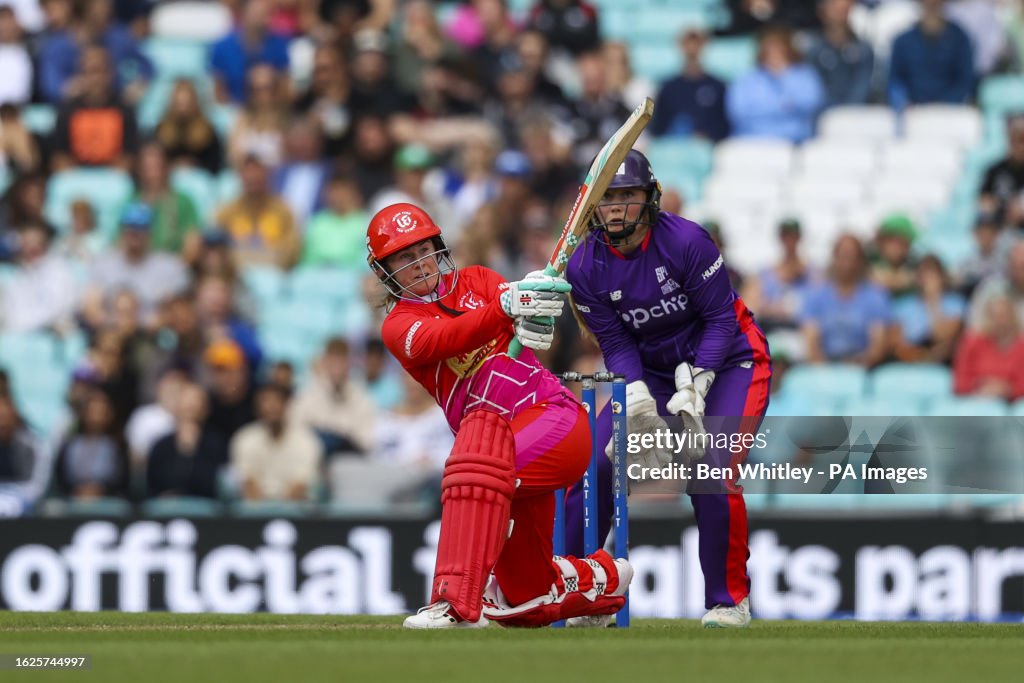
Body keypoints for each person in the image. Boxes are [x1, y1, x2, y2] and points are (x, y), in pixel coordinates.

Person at [367, 202, 633, 629]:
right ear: (386, 273)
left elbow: (530, 327)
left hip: (553, 419)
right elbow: (448, 337)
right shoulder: (399, 326)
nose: (417, 264)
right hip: (505, 455)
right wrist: (506, 307)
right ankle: (601, 577)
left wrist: (537, 314)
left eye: (422, 251)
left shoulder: (480, 280)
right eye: (402, 258)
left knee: (471, 469)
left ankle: (454, 605)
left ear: (438, 248)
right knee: (525, 600)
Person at [565, 150, 771, 628]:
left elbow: (721, 319)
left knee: (711, 471)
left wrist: (699, 379)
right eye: (608, 197)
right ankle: (581, 591)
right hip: (653, 373)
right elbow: (615, 339)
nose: (616, 208)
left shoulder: (687, 241)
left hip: (732, 362)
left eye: (628, 196)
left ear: (650, 197)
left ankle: (728, 600)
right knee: (594, 464)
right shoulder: (584, 267)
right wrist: (635, 390)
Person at [801, 234, 892, 367]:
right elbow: (811, 342)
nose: (847, 263)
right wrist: (825, 370)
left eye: (853, 257)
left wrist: (856, 367)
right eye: (843, 256)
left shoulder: (875, 297)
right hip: (824, 367)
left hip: (861, 367)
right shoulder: (816, 296)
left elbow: (877, 347)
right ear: (834, 258)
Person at [726, 25, 825, 143]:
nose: (774, 52)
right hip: (753, 138)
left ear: (788, 49)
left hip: (796, 139)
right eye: (769, 48)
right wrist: (785, 107)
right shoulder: (746, 79)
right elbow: (738, 112)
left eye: (779, 48)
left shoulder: (805, 74)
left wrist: (784, 75)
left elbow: (812, 103)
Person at [888, 0, 973, 108]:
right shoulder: (903, 41)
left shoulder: (959, 40)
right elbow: (895, 81)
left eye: (935, 4)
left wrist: (945, 105)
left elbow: (964, 81)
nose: (931, 6)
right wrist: (903, 102)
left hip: (949, 113)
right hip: (913, 113)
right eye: (927, 3)